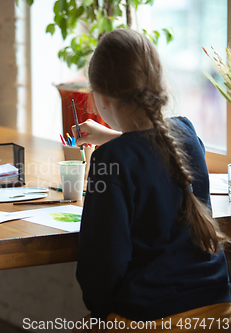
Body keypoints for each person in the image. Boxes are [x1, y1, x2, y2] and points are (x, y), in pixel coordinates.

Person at [71, 29, 231, 332]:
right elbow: (152, 146)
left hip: (150, 318)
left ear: (101, 97)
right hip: (218, 310)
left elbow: (100, 271)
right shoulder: (187, 133)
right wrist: (112, 137)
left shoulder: (110, 160)